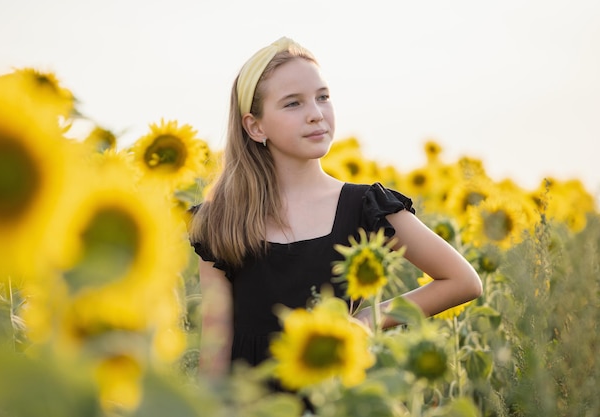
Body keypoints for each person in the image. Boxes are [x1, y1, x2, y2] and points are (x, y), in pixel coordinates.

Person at [188, 37, 482, 377]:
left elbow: (463, 280)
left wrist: (369, 319)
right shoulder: (220, 221)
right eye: (293, 104)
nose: (316, 114)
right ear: (255, 126)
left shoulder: (364, 207)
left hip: (337, 397)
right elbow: (215, 351)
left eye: (323, 97)